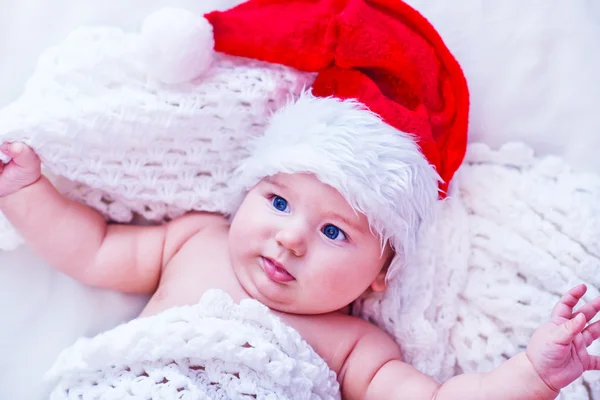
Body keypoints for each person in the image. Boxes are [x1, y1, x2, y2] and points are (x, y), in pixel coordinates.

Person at [1, 89, 600, 400]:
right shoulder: (195, 240)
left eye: (334, 232)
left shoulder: (354, 346)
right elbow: (94, 247)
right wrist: (25, 190)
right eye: (279, 202)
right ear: (246, 193)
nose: (289, 238)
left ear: (378, 276)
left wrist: (532, 375)